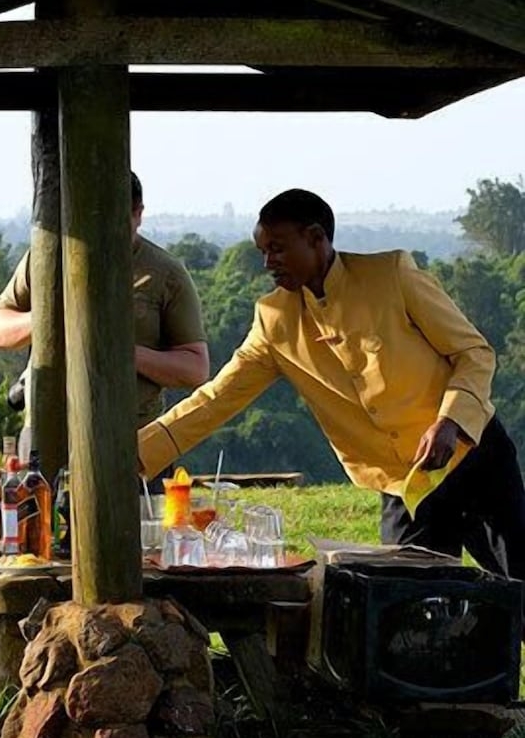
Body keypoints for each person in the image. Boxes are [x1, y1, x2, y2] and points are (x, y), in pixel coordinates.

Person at [138, 188, 525, 578]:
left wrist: (450, 421)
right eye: (263, 251)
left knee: (518, 584)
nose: (268, 262)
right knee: (404, 603)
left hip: (474, 456)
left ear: (316, 238)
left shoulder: (391, 275)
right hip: (405, 484)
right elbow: (216, 399)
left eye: (277, 248)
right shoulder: (275, 321)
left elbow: (474, 352)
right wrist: (137, 454)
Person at [0, 172, 210, 466]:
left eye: (114, 219)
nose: (102, 229)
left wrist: (123, 353)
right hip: (47, 432)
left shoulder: (165, 274)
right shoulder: (46, 259)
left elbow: (195, 368)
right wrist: (53, 318)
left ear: (138, 214)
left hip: (133, 440)